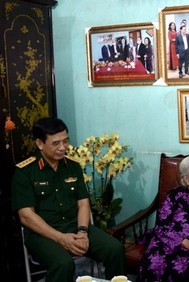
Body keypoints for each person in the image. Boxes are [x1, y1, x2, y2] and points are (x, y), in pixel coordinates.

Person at [11, 117, 125, 281]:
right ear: (40, 143)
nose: (63, 147)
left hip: (75, 226)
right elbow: (26, 216)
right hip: (42, 234)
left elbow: (83, 204)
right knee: (63, 263)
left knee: (115, 249)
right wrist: (60, 238)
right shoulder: (25, 172)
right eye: (56, 143)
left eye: (66, 141)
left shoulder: (73, 166)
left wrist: (83, 232)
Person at [137, 155, 189, 282]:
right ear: (186, 179)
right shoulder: (175, 196)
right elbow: (161, 226)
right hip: (169, 241)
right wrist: (184, 242)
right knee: (155, 260)